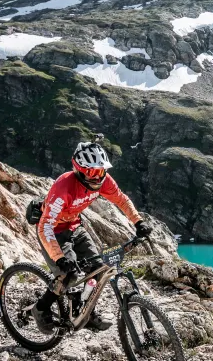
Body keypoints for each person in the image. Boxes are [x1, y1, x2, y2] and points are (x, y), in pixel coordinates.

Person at [32, 139, 152, 333]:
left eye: (101, 171)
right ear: (79, 171)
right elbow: (45, 226)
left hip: (74, 226)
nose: (97, 177)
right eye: (92, 172)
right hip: (53, 231)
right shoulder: (64, 187)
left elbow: (121, 200)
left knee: (98, 268)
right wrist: (59, 258)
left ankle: (86, 313)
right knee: (68, 275)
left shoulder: (104, 181)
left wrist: (138, 222)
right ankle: (40, 308)